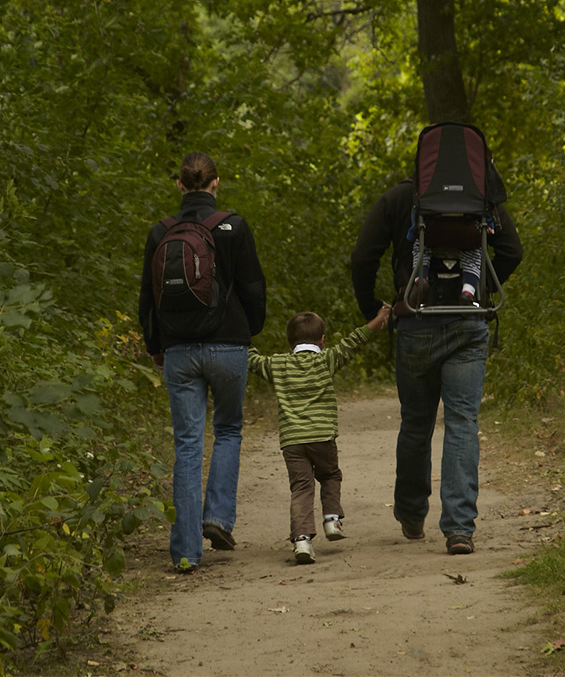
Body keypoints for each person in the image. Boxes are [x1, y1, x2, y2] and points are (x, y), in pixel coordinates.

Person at [350, 165, 522, 555]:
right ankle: (459, 528)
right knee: (462, 421)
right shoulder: (480, 198)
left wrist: (374, 309)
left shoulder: (400, 198)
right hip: (467, 321)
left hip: (416, 321)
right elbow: (512, 251)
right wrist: (482, 290)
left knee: (416, 421)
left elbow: (362, 257)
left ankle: (412, 516)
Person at [139, 152, 266, 573]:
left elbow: (148, 300)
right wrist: (251, 330)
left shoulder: (160, 231)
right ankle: (217, 518)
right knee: (228, 429)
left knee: (188, 445)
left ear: (179, 185)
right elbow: (253, 287)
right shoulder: (235, 226)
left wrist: (156, 347)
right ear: (216, 184)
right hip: (229, 344)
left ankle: (186, 552)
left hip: (178, 350)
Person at [247, 304, 390, 564]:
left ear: (289, 341)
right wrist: (379, 318)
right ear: (323, 340)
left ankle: (302, 541)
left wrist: (240, 335)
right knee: (330, 475)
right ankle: (332, 520)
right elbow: (354, 341)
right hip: (323, 437)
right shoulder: (327, 359)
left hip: (292, 442)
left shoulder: (278, 364)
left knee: (301, 488)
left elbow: (252, 360)